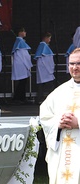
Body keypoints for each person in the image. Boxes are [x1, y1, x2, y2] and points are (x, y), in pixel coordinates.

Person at [40, 48, 80, 184]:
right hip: (64, 152)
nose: (75, 67)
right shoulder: (59, 92)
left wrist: (78, 123)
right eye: (72, 64)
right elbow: (45, 116)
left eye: (79, 63)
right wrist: (58, 123)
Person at [11, 27, 32, 104]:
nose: (25, 33)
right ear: (20, 33)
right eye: (24, 31)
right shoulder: (20, 42)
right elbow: (24, 55)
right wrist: (28, 64)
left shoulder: (19, 42)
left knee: (22, 82)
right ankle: (19, 97)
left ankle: (20, 97)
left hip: (21, 65)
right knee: (22, 82)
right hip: (22, 65)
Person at [34, 32, 55, 104]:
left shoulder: (42, 46)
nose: (49, 40)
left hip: (43, 70)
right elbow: (46, 60)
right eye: (49, 38)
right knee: (49, 85)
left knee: (41, 85)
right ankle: (51, 99)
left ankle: (40, 98)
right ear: (46, 38)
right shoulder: (43, 46)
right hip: (45, 70)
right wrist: (50, 69)